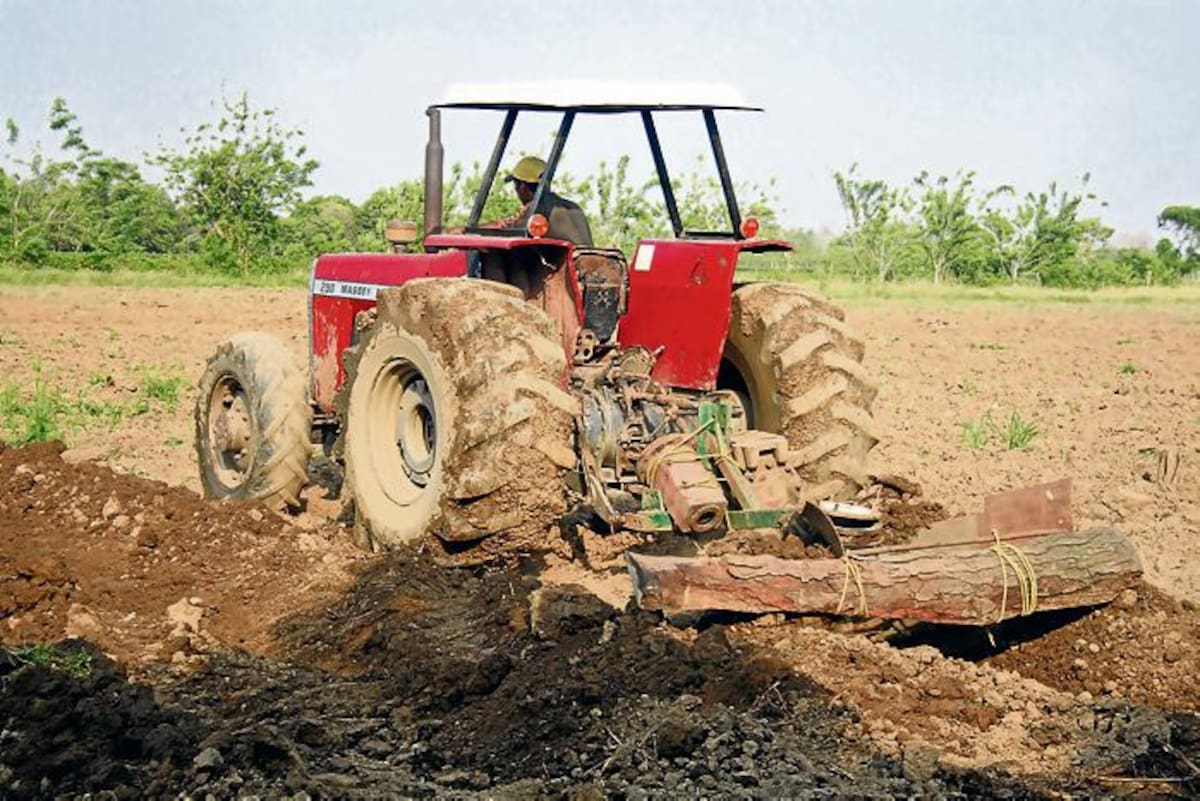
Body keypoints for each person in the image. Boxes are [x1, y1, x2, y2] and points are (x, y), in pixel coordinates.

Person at [486, 156, 594, 246]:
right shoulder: (571, 206)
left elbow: (506, 229)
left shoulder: (537, 208)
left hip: (566, 268)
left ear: (523, 187)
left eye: (516, 185)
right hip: (584, 265)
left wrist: (475, 230)